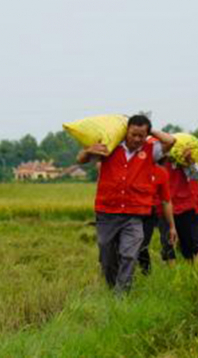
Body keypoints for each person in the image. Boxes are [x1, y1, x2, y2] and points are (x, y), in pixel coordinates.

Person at [77, 115, 175, 293]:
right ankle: (111, 286)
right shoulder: (110, 145)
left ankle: (121, 295)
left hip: (134, 214)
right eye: (133, 134)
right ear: (125, 132)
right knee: (107, 257)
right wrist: (89, 150)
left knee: (129, 255)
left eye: (141, 135)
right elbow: (81, 159)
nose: (137, 139)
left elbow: (170, 141)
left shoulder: (150, 150)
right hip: (107, 212)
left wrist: (150, 129)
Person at [162, 148, 198, 262]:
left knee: (195, 244)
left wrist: (189, 161)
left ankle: (195, 269)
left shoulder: (193, 162)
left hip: (194, 207)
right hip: (171, 207)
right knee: (172, 244)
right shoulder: (164, 161)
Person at [137, 161, 177, 274]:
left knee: (165, 242)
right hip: (140, 210)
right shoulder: (138, 168)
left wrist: (172, 225)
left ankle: (150, 273)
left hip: (157, 210)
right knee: (138, 244)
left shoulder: (163, 171)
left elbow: (166, 200)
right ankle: (143, 273)